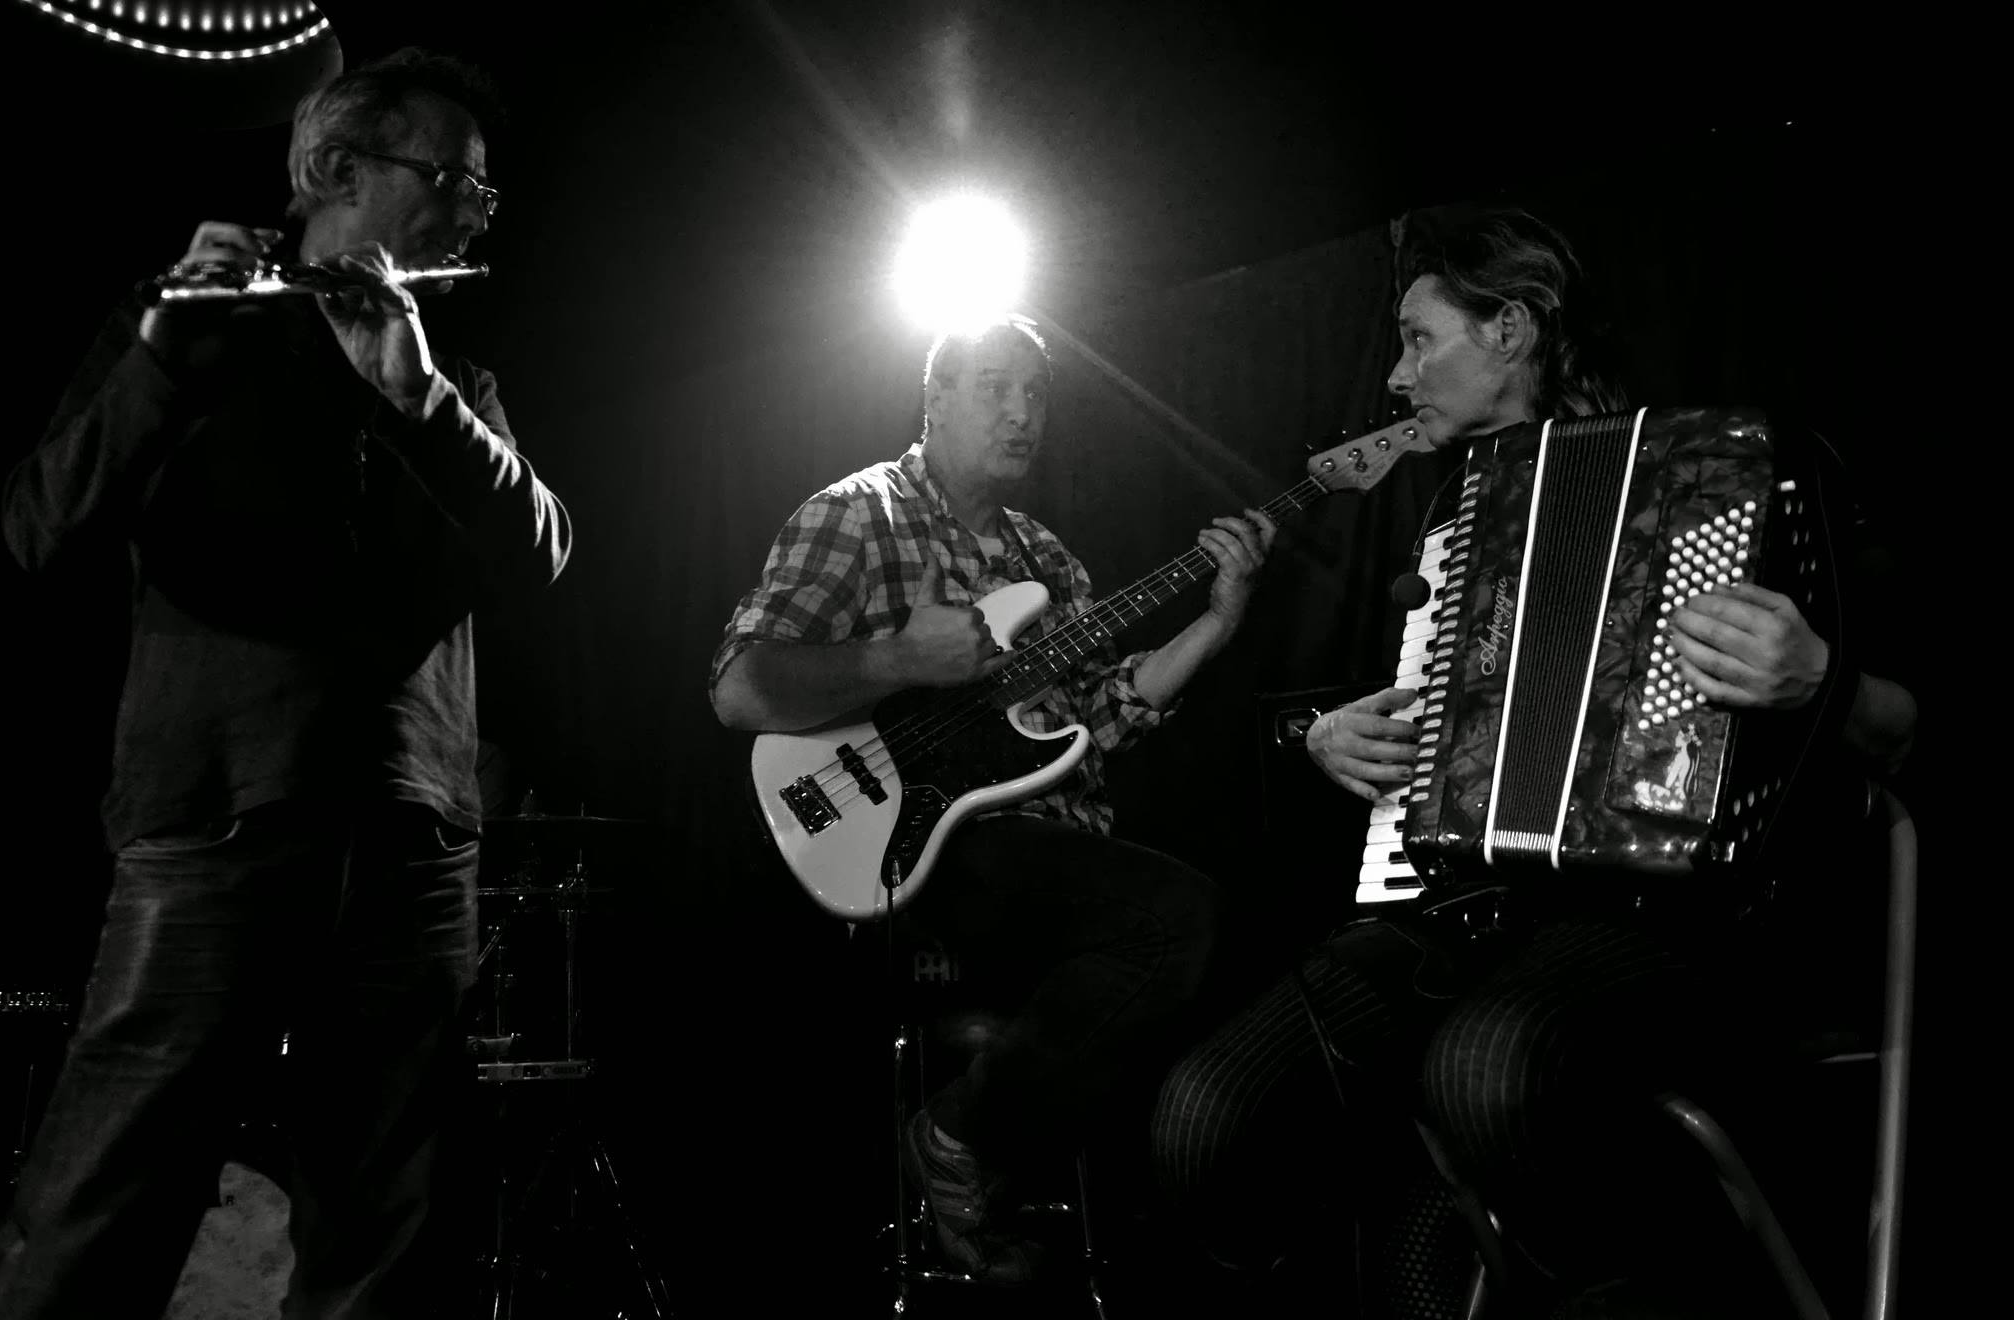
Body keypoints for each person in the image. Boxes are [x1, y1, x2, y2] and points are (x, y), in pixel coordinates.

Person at [1150, 207, 1918, 1314]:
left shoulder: (1723, 471)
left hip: (1660, 917)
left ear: (1507, 329)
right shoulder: (1450, 520)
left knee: (1482, 1068)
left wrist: (1818, 677)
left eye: (1418, 339)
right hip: (1450, 916)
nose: (1394, 376)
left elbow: (1900, 725)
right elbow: (1421, 721)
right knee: (1200, 1119)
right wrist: (1323, 736)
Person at [0, 49, 570, 1320]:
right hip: (218, 819)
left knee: (383, 1237)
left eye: (483, 194)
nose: (473, 210)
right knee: (101, 1207)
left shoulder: (450, 383)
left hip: (410, 840)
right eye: (454, 179)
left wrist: (419, 400)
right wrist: (163, 359)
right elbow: (37, 527)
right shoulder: (184, 332)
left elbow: (546, 556)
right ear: (334, 172)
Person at [710, 313, 1275, 1281]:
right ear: (932, 399)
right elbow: (736, 688)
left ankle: (1026, 1198)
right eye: (994, 387)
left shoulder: (1049, 562)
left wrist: (1216, 626)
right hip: (919, 847)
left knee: (1213, 930)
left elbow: (1097, 719)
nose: (1022, 413)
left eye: (1037, 394)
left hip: (1049, 855)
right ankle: (960, 1136)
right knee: (1180, 916)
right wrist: (898, 657)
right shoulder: (857, 514)